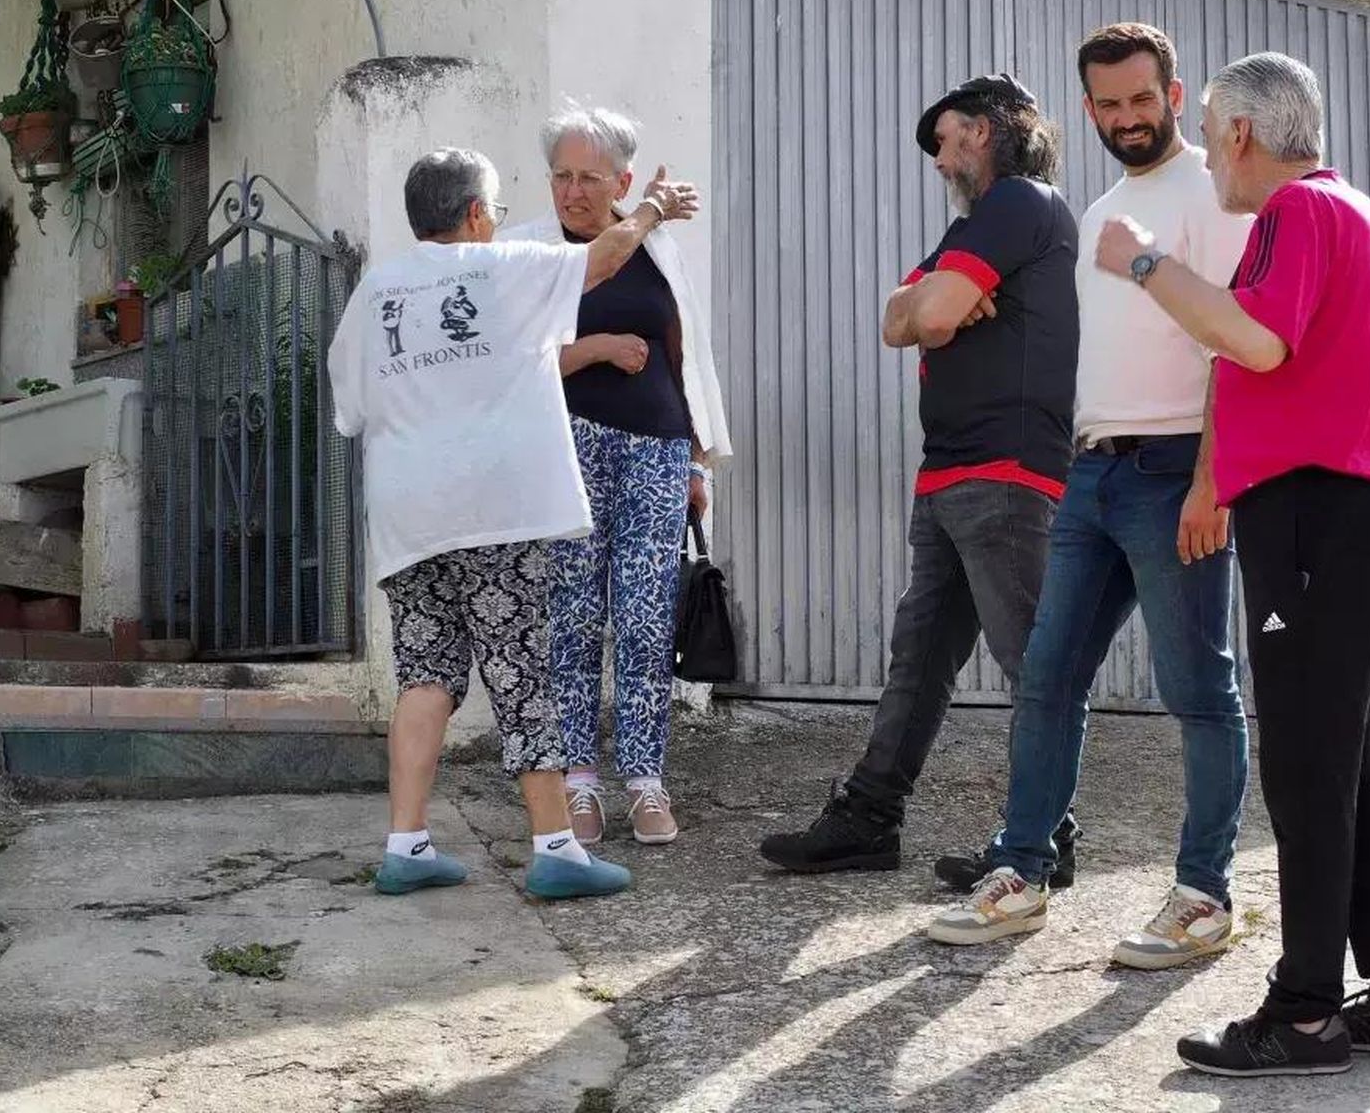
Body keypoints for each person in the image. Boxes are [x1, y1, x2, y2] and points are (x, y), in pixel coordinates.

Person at [1093, 52, 1370, 1076]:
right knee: (1352, 768)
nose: (1207, 150)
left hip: (1308, 521)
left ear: (1241, 132)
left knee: (1307, 772)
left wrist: (1142, 262)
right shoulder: (1358, 211)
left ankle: (1303, 1016)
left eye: (1210, 128)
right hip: (1344, 518)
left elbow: (1254, 342)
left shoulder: (1295, 212)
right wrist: (1367, 425)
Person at [927, 24, 1252, 969]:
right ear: (1088, 110)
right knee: (1047, 676)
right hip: (1093, 470)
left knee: (1198, 689)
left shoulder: (1214, 193)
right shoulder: (1101, 208)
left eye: (1142, 100)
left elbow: (1234, 342)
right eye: (1109, 105)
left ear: (1176, 96)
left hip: (1177, 468)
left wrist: (1212, 481)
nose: (1127, 118)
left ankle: (1204, 895)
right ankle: (1020, 872)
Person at [328, 146, 699, 899]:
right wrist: (654, 207)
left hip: (407, 519)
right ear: (474, 213)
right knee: (524, 670)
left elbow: (351, 409)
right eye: (494, 209)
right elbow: (604, 258)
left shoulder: (375, 290)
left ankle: (406, 844)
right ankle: (556, 849)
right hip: (491, 512)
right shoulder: (501, 268)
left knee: (426, 675)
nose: (497, 221)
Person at [759, 74, 1081, 875]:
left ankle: (1043, 842)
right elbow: (896, 318)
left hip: (1005, 474)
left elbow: (928, 316)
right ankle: (869, 818)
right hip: (951, 474)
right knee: (921, 660)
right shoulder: (975, 226)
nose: (938, 161)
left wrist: (932, 304)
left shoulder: (1020, 203)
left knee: (1034, 667)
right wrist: (929, 301)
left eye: (943, 140)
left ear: (982, 130)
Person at [504, 105, 732, 848]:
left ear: (622, 183)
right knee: (572, 616)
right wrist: (597, 347)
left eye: (589, 179)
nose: (572, 192)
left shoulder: (657, 247)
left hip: (658, 448)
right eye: (561, 176)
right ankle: (578, 782)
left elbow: (683, 355)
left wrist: (696, 459)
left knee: (645, 616)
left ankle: (644, 778)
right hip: (566, 447)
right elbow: (511, 360)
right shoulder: (528, 251)